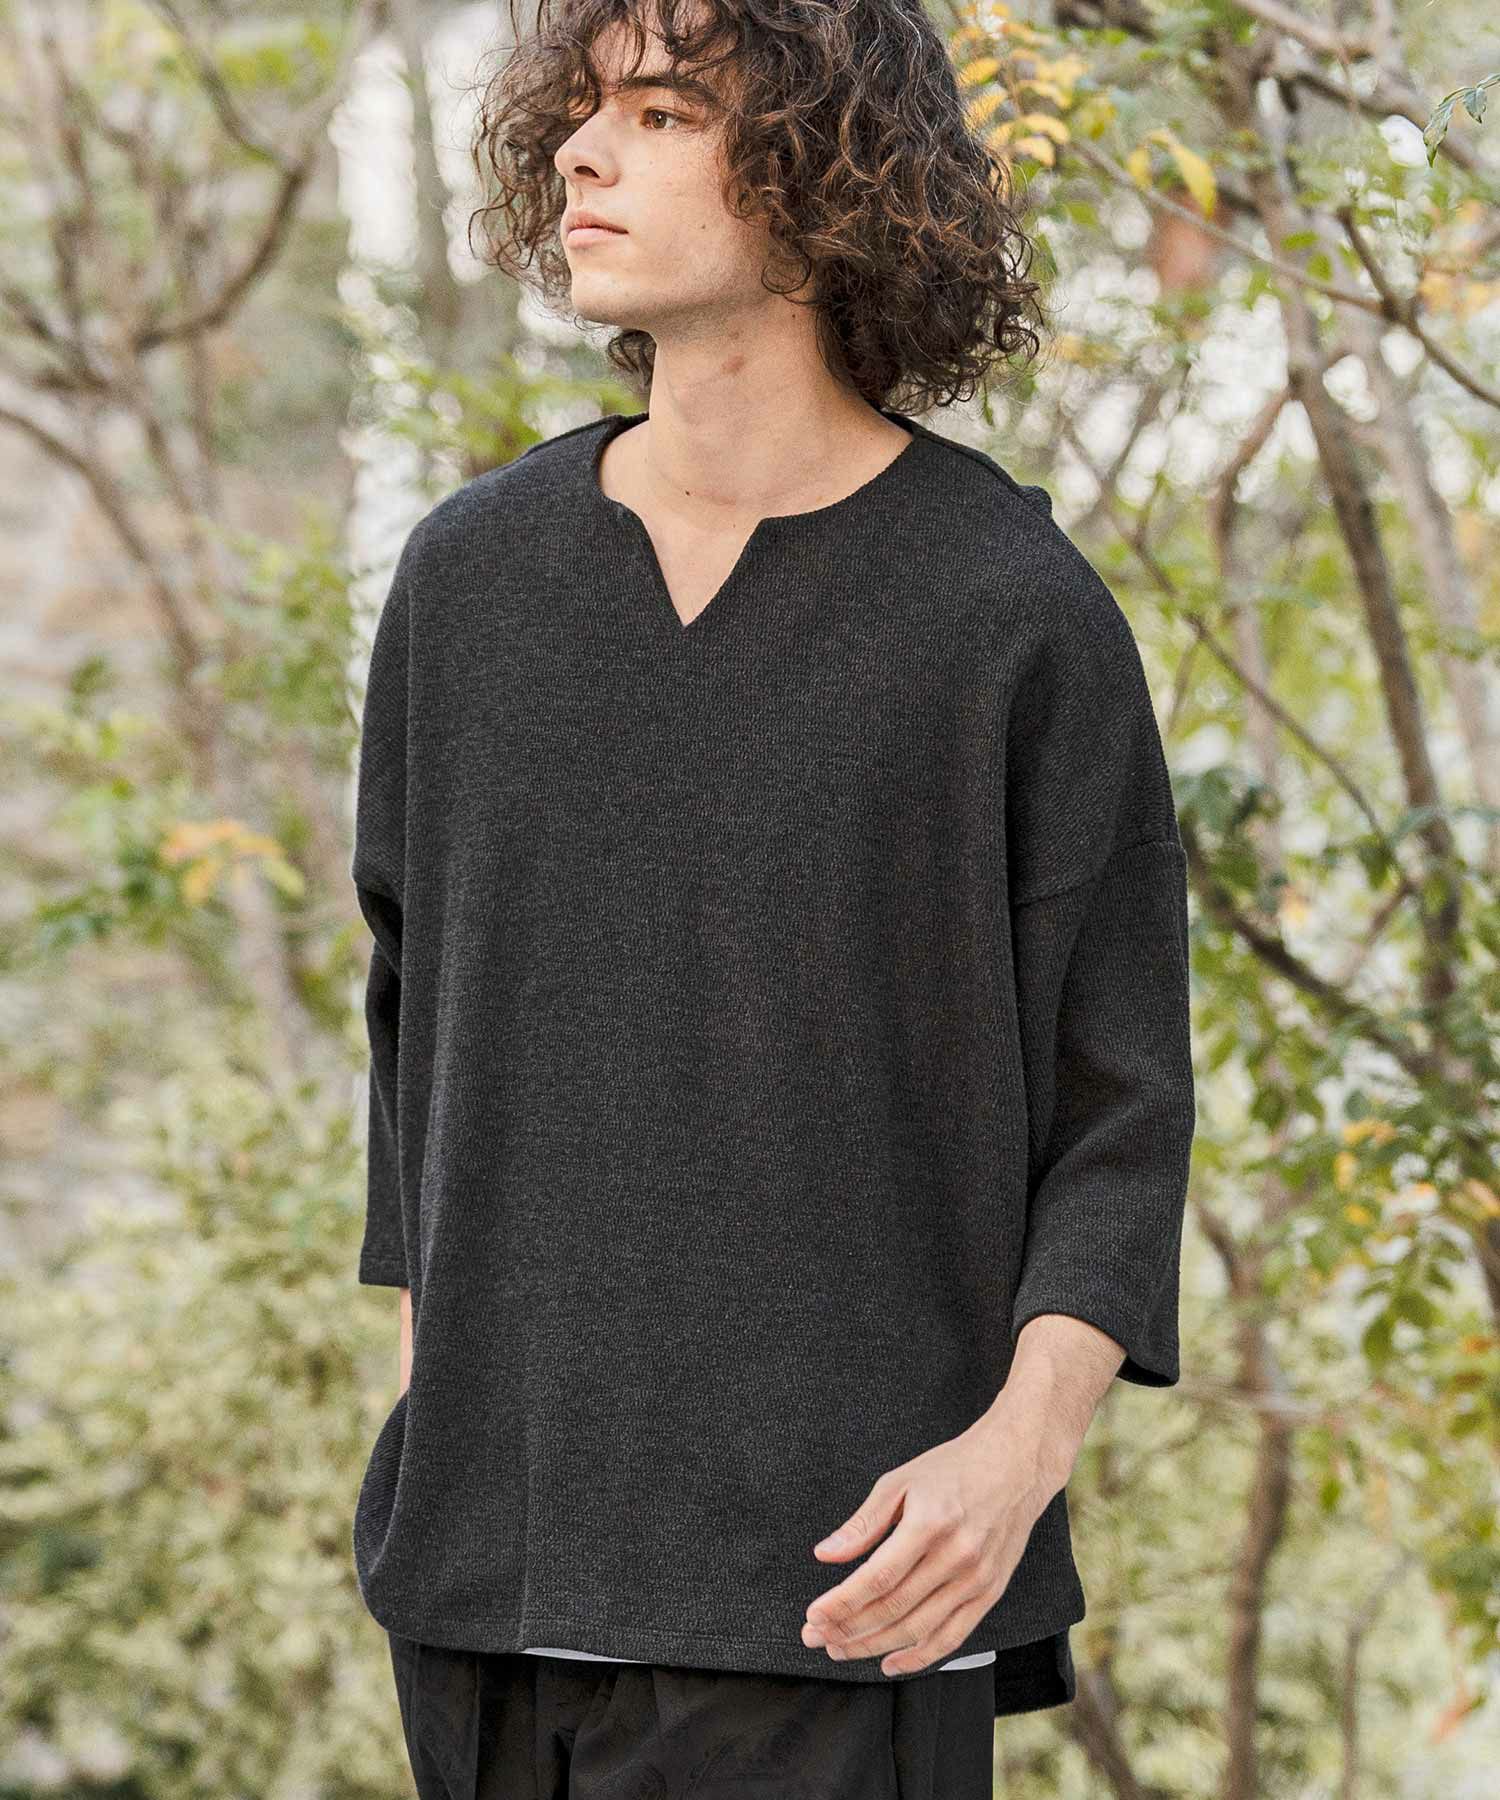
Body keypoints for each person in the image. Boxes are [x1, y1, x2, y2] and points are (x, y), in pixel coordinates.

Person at [348, 0, 1196, 1793]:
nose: (584, 152)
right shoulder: (470, 587)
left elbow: (1123, 1104)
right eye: (583, 111)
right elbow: (413, 1029)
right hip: (488, 1599)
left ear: (827, 175)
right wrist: (434, 1416)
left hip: (846, 1591)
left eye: (662, 114)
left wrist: (1017, 1458)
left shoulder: (1009, 612)